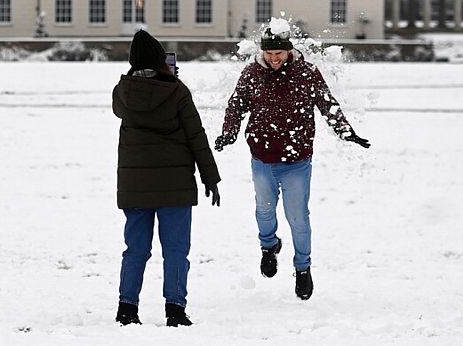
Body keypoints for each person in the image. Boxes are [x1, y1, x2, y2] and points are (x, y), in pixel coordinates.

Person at [214, 27, 370, 301]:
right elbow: (236, 106)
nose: (274, 58)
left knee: (298, 218)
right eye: (270, 53)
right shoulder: (252, 74)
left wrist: (345, 130)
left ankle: (302, 267)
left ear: (289, 51)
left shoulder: (307, 73)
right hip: (262, 157)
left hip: (297, 160)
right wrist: (229, 133)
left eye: (279, 53)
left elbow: (326, 103)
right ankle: (268, 246)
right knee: (264, 211)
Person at [113, 30, 221, 327]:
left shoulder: (122, 92)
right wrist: (210, 177)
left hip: (135, 187)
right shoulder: (176, 91)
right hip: (175, 186)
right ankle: (175, 309)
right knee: (175, 250)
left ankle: (127, 308)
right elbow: (196, 137)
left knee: (135, 249)